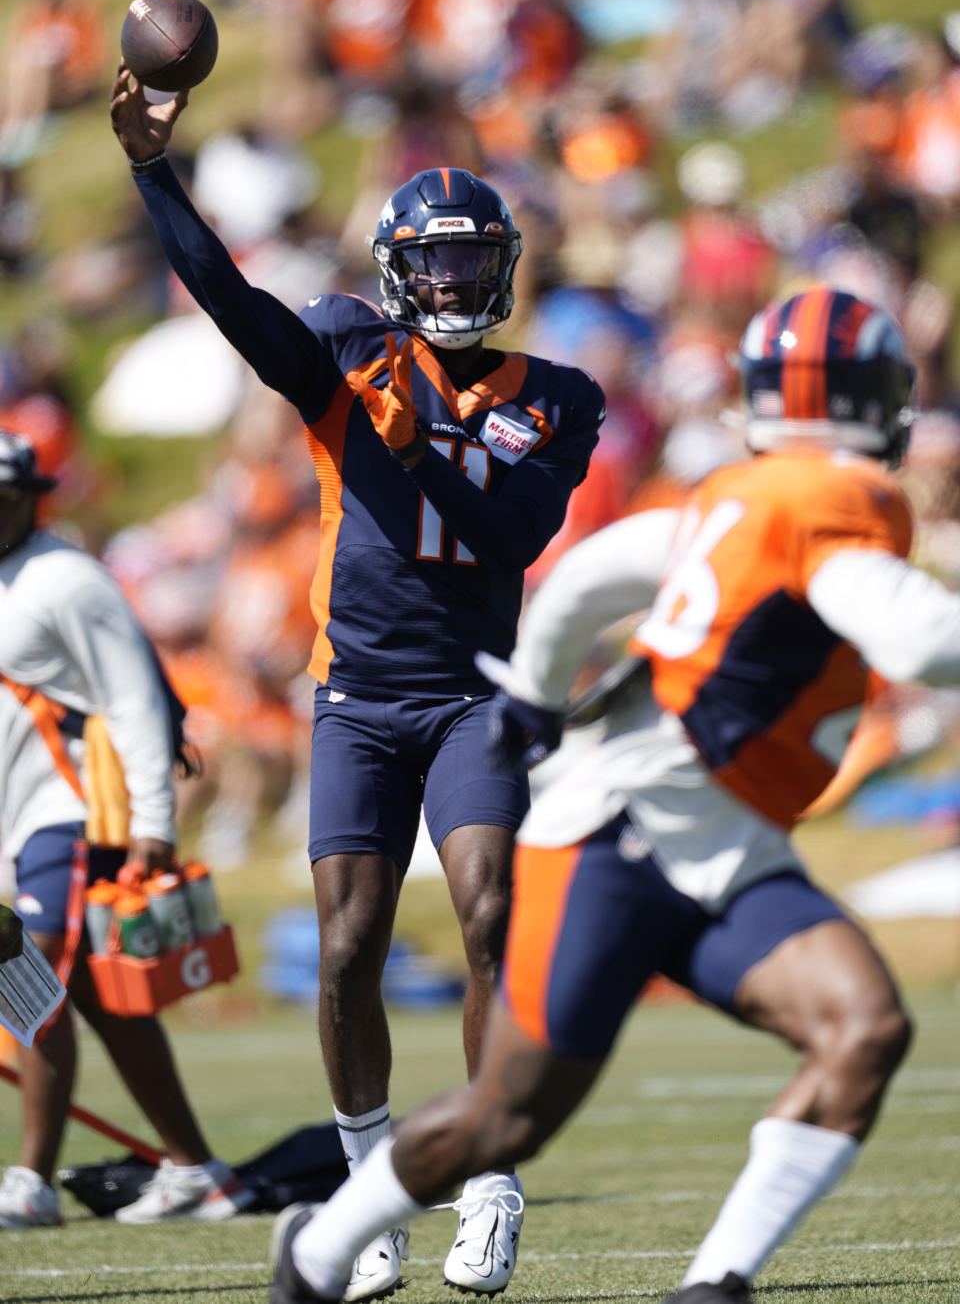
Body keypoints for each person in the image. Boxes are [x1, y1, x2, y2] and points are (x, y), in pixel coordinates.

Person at [265, 285, 960, 1304]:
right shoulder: (837, 509)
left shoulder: (741, 492)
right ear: (875, 399)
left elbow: (598, 568)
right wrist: (534, 700)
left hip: (726, 843)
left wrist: (535, 696)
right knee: (508, 1114)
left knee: (865, 1026)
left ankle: (713, 1283)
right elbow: (915, 636)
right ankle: (318, 1252)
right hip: (623, 841)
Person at [110, 65, 604, 1298]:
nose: (451, 283)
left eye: (470, 260)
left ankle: (489, 1178)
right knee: (345, 951)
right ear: (395, 270)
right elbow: (228, 296)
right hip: (360, 695)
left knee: (489, 911)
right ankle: (372, 1180)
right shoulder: (346, 350)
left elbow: (510, 537)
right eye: (431, 263)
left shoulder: (557, 397)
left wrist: (413, 448)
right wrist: (149, 169)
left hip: (479, 692)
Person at [0, 428, 252, 1229]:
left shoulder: (63, 579)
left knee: (27, 974)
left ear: (28, 502)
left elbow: (135, 696)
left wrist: (152, 820)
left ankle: (30, 1182)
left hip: (75, 815)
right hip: (26, 822)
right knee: (104, 1002)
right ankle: (196, 1169)